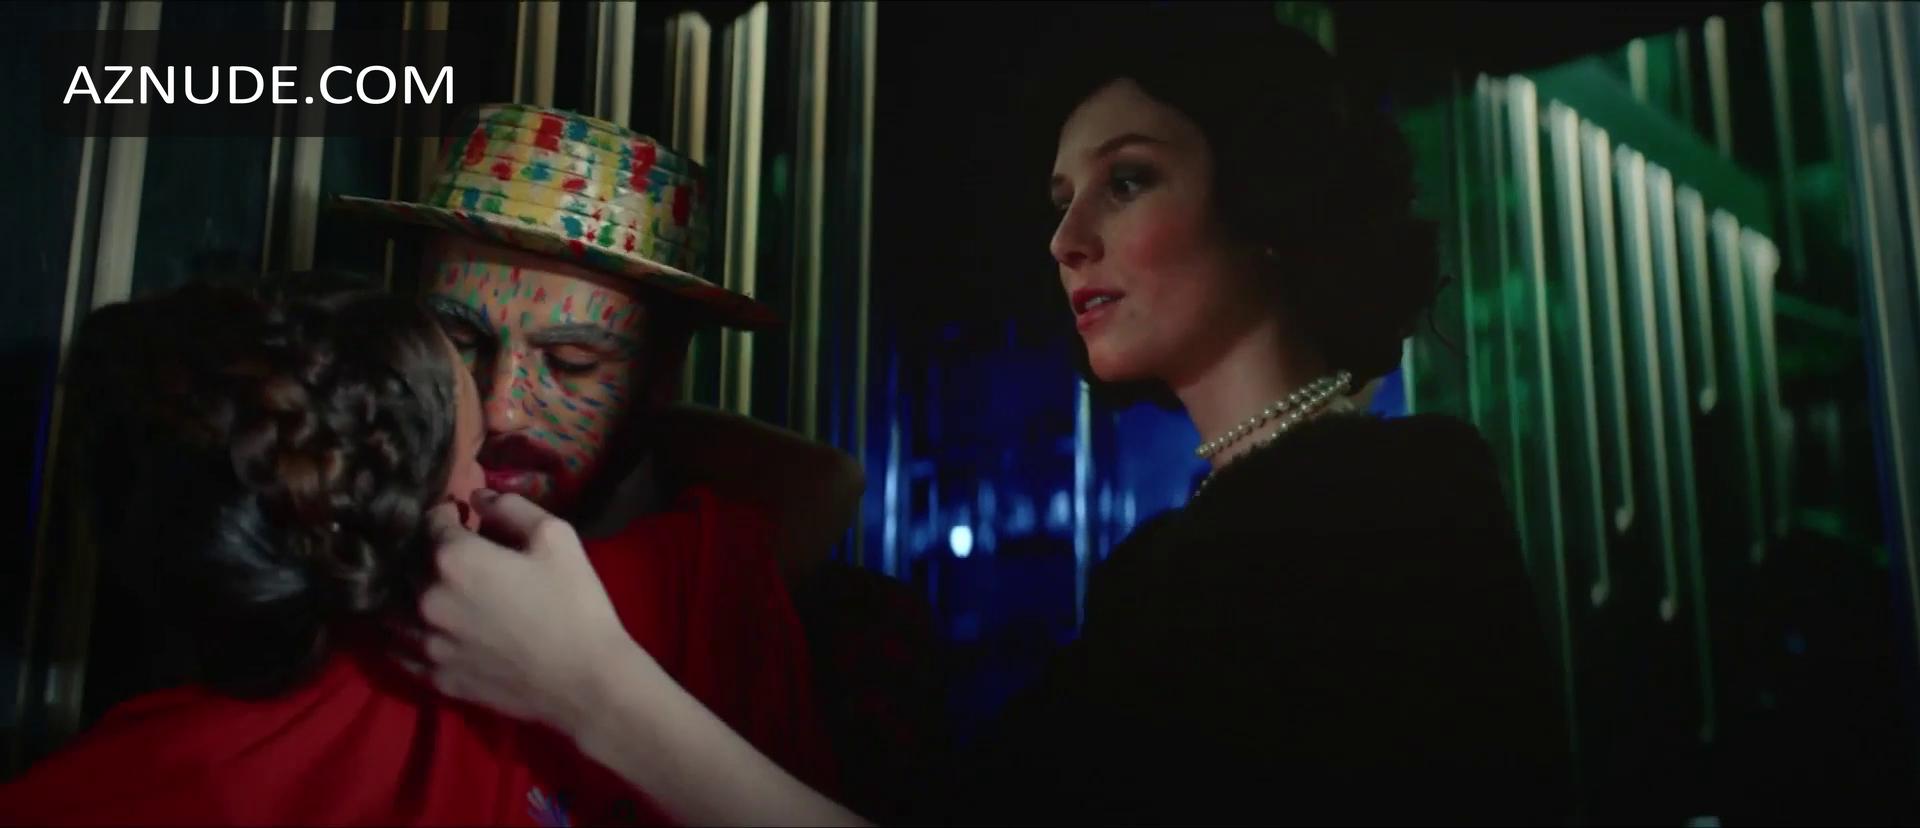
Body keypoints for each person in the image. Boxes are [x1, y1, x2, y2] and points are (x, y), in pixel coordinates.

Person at [404, 13, 1571, 826]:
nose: (1066, 241)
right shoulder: (1232, 532)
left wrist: (587, 685)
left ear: (1267, 194)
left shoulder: (1382, 516)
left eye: (1127, 180)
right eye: (1061, 200)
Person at [0, 276, 837, 826]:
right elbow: (821, 483)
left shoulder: (131, 783)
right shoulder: (614, 604)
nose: (506, 413)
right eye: (466, 342)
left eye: (573, 361)